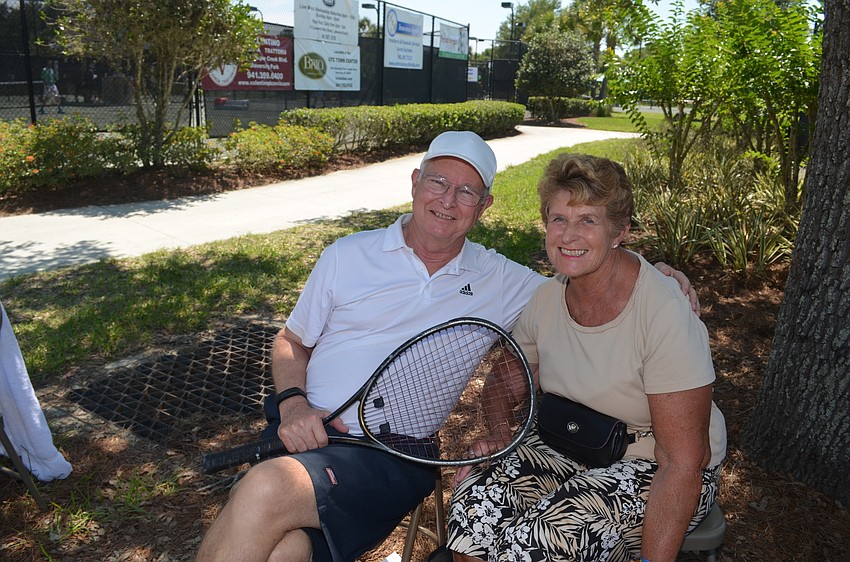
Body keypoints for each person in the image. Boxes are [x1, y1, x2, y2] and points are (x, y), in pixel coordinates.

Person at [195, 133, 698, 562]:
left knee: (262, 488)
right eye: (437, 181)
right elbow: (291, 341)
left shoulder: (504, 281)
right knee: (285, 550)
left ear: (485, 207)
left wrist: (660, 273)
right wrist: (294, 404)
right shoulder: (346, 254)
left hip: (393, 455)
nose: (448, 200)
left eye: (467, 191)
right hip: (304, 432)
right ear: (415, 183)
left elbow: (588, 266)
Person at [446, 154, 726, 562]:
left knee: (538, 541)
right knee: (474, 504)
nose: (569, 235)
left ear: (619, 232)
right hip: (570, 443)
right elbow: (506, 381)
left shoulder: (662, 311)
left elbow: (683, 461)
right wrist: (499, 434)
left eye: (588, 221)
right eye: (559, 219)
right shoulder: (546, 298)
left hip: (652, 466)